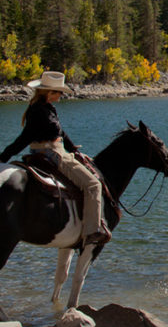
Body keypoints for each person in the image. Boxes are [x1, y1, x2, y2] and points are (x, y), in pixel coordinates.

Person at [0, 71, 111, 245]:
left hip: (51, 150)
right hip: (53, 152)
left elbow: (60, 132)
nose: (61, 95)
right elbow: (25, 137)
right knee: (93, 185)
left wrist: (73, 148)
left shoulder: (42, 107)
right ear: (50, 93)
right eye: (59, 92)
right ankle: (92, 230)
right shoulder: (40, 111)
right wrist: (4, 156)